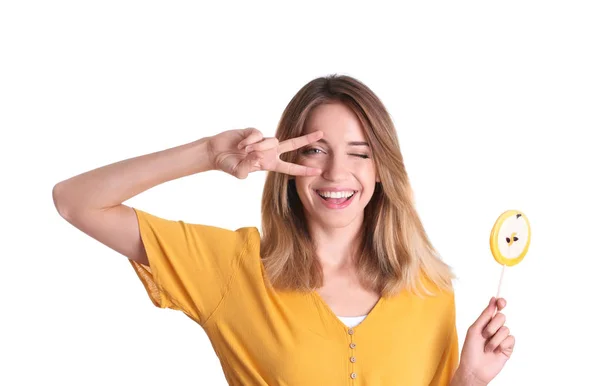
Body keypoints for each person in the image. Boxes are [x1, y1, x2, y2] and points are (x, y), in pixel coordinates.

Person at [52, 74, 515, 385]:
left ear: (382, 170)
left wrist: (467, 381)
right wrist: (209, 153)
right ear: (289, 160)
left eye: (359, 152)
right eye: (315, 151)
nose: (336, 172)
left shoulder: (429, 287)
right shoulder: (232, 268)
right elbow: (76, 201)